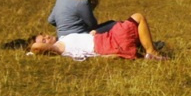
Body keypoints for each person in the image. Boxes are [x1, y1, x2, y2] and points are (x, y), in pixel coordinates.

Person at [29, 12, 167, 60]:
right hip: (107, 43)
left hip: (105, 38)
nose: (47, 38)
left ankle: (149, 51)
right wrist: (33, 52)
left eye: (45, 36)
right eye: (44, 40)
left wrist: (91, 34)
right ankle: (152, 52)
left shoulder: (63, 40)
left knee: (133, 28)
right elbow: (36, 47)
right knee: (138, 17)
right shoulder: (58, 48)